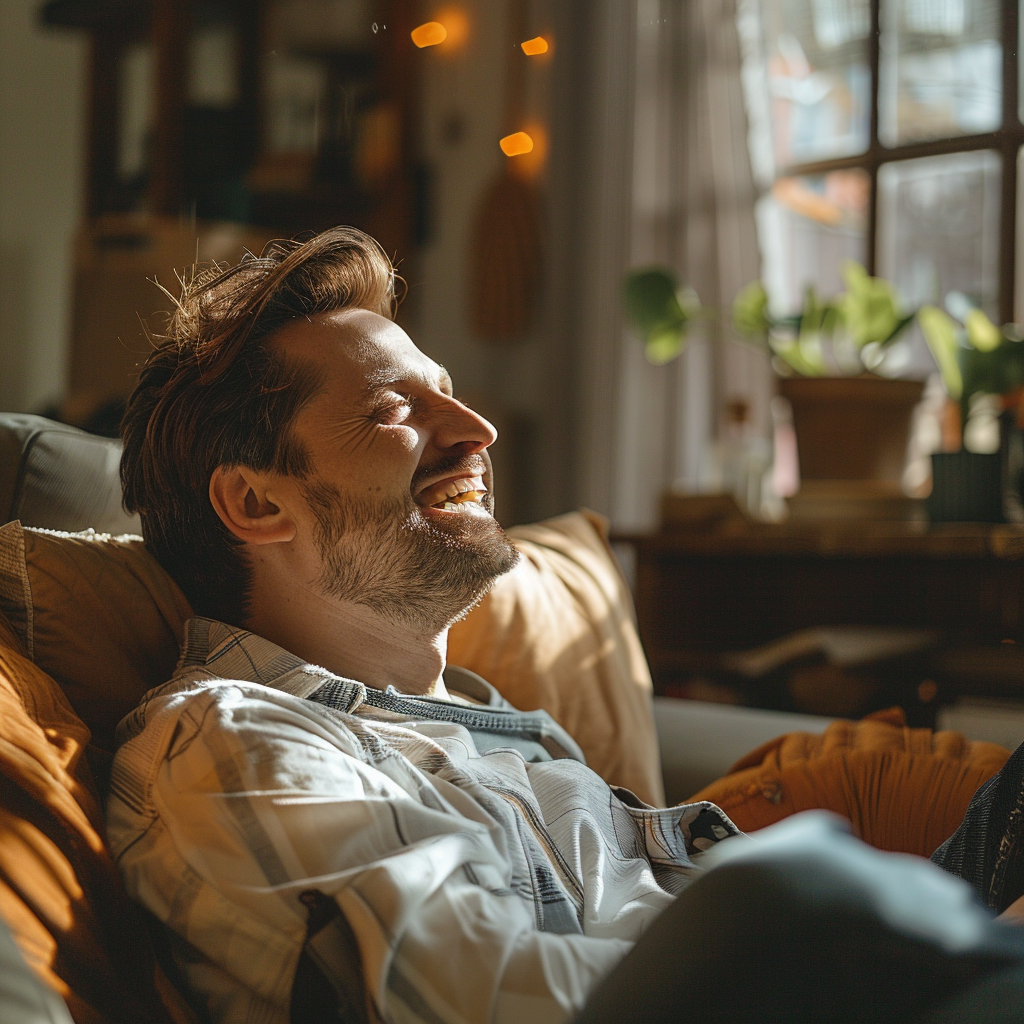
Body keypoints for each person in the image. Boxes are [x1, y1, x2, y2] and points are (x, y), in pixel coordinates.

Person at [107, 227, 1024, 1024]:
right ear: (257, 500)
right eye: (396, 409)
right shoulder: (235, 739)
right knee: (794, 890)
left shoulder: (487, 726)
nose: (477, 429)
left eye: (450, 392)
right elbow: (488, 998)